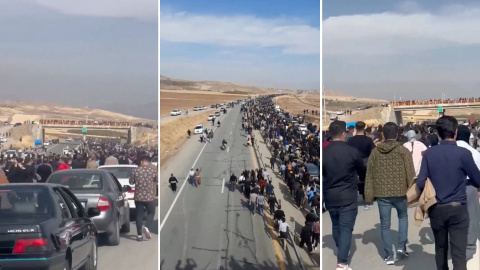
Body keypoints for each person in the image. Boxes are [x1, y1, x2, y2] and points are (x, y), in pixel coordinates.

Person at [417, 116, 480, 270]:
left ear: (438, 133)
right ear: (455, 132)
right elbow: (477, 179)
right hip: (458, 208)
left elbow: (420, 182)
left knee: (440, 249)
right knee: (459, 252)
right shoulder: (463, 153)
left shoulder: (429, 154)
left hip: (436, 208)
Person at [364, 122, 415, 265]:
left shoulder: (375, 152)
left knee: (385, 225)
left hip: (382, 194)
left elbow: (370, 175)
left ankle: (388, 255)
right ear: (398, 135)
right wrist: (413, 192)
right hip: (400, 193)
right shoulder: (403, 151)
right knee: (403, 217)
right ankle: (401, 247)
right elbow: (410, 173)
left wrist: (369, 196)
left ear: (383, 135)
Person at [323, 120, 366, 270]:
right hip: (347, 196)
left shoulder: (324, 152)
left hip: (330, 196)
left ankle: (341, 248)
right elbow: (362, 172)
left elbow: (322, 175)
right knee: (346, 228)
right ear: (343, 134)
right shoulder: (352, 152)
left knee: (336, 226)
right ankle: (342, 262)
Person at [455, 125, 480, 260]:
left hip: (451, 187)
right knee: (472, 216)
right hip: (470, 186)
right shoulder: (474, 153)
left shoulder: (448, 150)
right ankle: (470, 246)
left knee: (454, 216)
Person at [347, 121, 375, 209]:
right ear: (364, 128)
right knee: (367, 180)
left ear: (355, 128)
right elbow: (373, 152)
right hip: (366, 161)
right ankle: (367, 197)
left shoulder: (350, 141)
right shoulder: (368, 140)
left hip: (353, 162)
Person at [129, 156, 157, 242]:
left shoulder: (135, 171)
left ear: (141, 162)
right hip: (149, 197)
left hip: (138, 197)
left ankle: (139, 235)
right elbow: (156, 180)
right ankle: (146, 226)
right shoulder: (152, 171)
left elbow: (131, 182)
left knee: (139, 215)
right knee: (151, 212)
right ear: (148, 163)